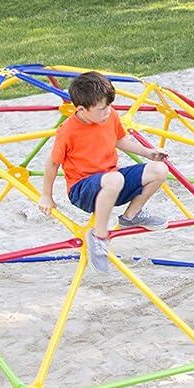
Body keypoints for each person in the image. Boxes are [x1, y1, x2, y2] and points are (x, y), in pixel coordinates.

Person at [38, 71, 174, 274]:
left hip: (112, 182)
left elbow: (120, 140)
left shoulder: (109, 116)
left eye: (109, 105)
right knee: (114, 179)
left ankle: (131, 215)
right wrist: (46, 196)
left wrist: (149, 153)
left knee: (159, 170)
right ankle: (99, 236)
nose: (108, 111)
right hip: (83, 190)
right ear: (82, 109)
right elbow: (52, 164)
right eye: (102, 109)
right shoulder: (68, 131)